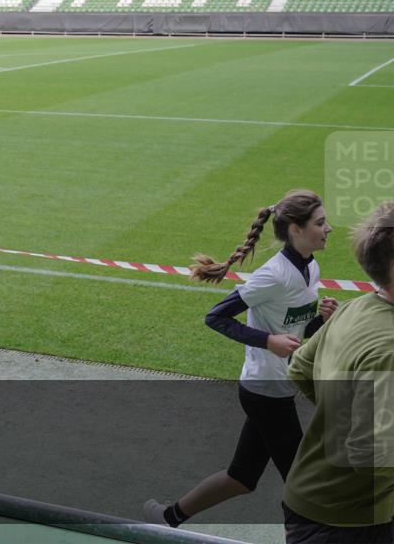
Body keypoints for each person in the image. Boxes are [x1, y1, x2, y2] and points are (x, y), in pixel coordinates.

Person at [144, 190, 338, 527]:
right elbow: (216, 317)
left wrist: (320, 319)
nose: (328, 228)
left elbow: (294, 332)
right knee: (304, 482)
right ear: (295, 228)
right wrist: (267, 340)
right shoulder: (273, 274)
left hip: (277, 385)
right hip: (265, 391)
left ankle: (168, 516)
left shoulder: (311, 268)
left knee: (242, 477)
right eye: (320, 223)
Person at [283, 201, 394, 544]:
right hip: (349, 522)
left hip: (308, 497)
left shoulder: (355, 308)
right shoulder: (388, 348)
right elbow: (371, 454)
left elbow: (300, 368)